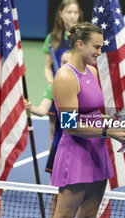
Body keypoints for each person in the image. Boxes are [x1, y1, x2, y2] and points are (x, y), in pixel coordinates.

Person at [49, 22, 125, 218]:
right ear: (80, 44)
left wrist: (117, 123)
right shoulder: (65, 77)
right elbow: (70, 125)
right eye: (96, 47)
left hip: (96, 152)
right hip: (76, 154)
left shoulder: (92, 73)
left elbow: (95, 115)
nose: (99, 51)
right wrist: (109, 132)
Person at [24, 50, 71, 218]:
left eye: (68, 62)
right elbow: (42, 110)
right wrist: (30, 108)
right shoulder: (54, 87)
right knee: (57, 194)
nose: (64, 66)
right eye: (63, 62)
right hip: (60, 148)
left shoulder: (84, 86)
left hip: (79, 150)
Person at [43, 0, 83, 153]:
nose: (72, 16)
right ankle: (53, 172)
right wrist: (50, 80)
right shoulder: (53, 38)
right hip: (57, 92)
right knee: (54, 132)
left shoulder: (82, 38)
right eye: (68, 12)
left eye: (75, 12)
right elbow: (47, 67)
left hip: (77, 92)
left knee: (73, 130)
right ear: (60, 14)